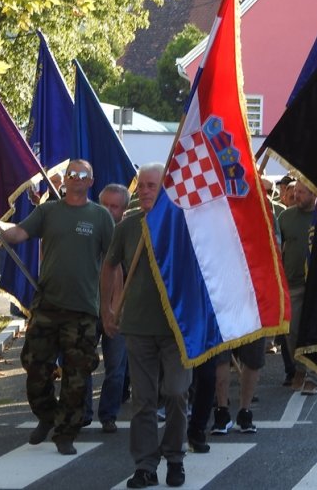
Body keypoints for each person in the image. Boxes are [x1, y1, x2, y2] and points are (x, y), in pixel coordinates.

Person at [0, 159, 113, 456]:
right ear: (65, 179)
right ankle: (47, 414)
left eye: (83, 174)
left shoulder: (101, 217)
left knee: (76, 374)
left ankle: (66, 433)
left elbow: (113, 262)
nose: (76, 178)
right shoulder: (48, 211)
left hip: (82, 311)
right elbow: (17, 233)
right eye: (72, 173)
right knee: (34, 364)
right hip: (48, 304)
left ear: (90, 181)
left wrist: (110, 305)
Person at [101, 163, 191, 488]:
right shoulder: (127, 227)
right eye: (142, 187)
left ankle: (176, 458)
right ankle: (145, 465)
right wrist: (108, 310)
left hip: (177, 328)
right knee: (143, 401)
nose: (145, 192)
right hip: (137, 327)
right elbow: (109, 266)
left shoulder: (182, 224)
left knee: (177, 393)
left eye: (152, 186)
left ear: (166, 188)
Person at [83, 183, 131, 433]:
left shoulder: (130, 234)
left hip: (117, 311)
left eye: (115, 206)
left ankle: (109, 415)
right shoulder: (88, 231)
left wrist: (116, 308)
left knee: (116, 366)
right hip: (89, 309)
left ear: (124, 209)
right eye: (105, 205)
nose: (109, 211)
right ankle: (83, 413)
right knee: (83, 362)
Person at [278, 181, 317, 395]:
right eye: (295, 191)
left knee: (314, 331)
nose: (296, 195)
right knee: (292, 332)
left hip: (316, 286)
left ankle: (312, 374)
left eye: (301, 192)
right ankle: (299, 369)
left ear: (314, 194)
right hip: (292, 284)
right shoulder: (285, 218)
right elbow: (277, 248)